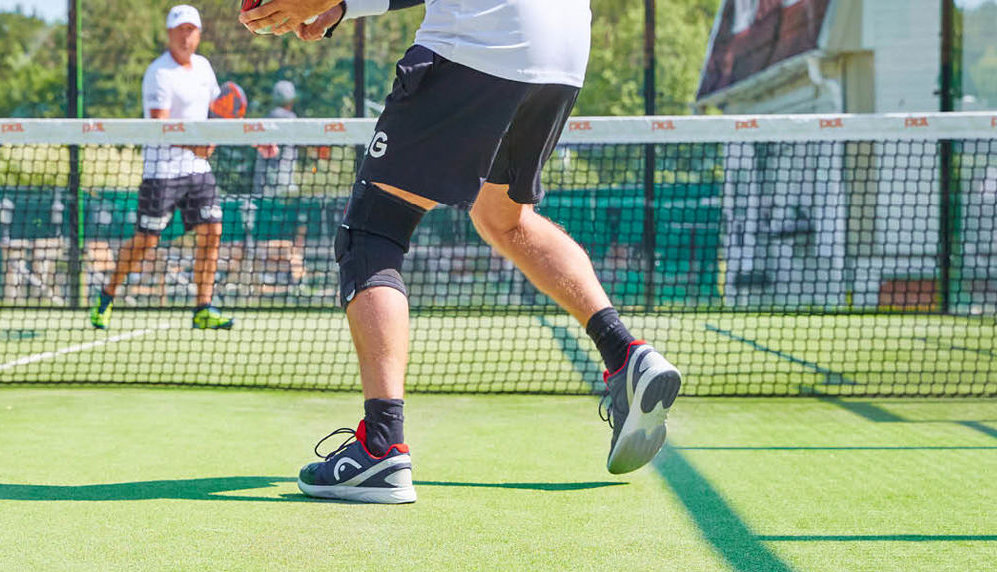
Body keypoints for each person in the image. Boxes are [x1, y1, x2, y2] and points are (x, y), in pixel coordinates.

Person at [241, 0, 683, 503]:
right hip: (561, 52)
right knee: (504, 218)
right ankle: (624, 352)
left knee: (372, 230)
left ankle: (382, 446)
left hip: (480, 41)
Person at [92, 4, 235, 330]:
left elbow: (218, 110)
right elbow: (160, 125)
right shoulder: (158, 73)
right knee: (146, 241)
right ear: (169, 35)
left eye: (190, 30)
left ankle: (203, 308)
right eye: (180, 30)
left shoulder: (204, 68)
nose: (185, 37)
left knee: (212, 231)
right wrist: (196, 144)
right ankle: (107, 294)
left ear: (199, 34)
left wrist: (246, 139)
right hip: (162, 172)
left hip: (197, 170)